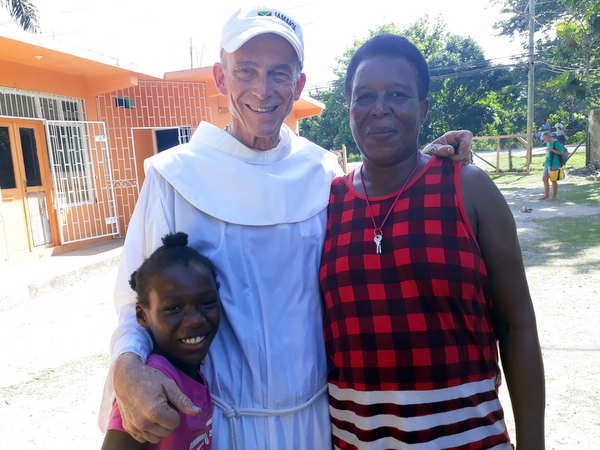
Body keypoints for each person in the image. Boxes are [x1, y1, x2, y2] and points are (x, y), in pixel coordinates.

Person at [99, 7, 473, 449]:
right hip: (221, 423)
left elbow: (371, 220)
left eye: (279, 73)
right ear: (222, 78)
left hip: (317, 421)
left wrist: (421, 161)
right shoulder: (173, 178)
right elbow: (134, 299)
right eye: (246, 71)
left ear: (298, 85)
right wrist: (126, 365)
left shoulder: (319, 170)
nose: (262, 89)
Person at [319, 34, 545, 449]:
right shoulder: (326, 203)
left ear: (422, 109)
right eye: (364, 95)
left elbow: (517, 326)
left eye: (398, 95)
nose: (380, 108)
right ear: (348, 108)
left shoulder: (469, 190)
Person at [101, 232, 220, 449]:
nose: (194, 321)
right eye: (173, 308)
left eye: (208, 302)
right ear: (142, 316)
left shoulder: (194, 372)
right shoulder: (152, 384)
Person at [540, 130, 566, 200]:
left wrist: (551, 150)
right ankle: (546, 196)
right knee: (544, 179)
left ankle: (554, 196)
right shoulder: (547, 143)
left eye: (545, 139)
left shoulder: (556, 143)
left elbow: (561, 153)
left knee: (553, 180)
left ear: (549, 137)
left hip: (554, 163)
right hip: (547, 163)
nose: (544, 141)